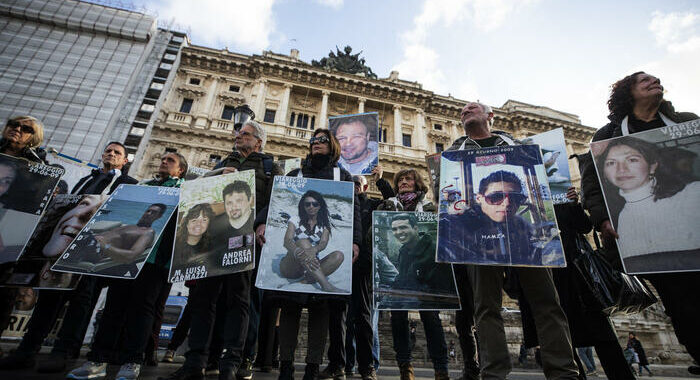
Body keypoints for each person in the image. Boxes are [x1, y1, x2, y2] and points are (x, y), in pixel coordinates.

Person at [444, 101, 578, 380]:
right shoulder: (454, 154)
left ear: (490, 116)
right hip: (477, 240)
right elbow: (443, 194)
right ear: (482, 198)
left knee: (547, 302)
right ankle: (493, 373)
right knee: (485, 307)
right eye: (463, 110)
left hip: (525, 238)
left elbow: (540, 185)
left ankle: (563, 372)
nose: (466, 111)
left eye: (473, 107)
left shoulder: (518, 146)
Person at [580, 72, 700, 375]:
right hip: (648, 241)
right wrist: (602, 218)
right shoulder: (608, 134)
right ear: (627, 92)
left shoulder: (687, 121)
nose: (654, 81)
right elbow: (592, 185)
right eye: (643, 80)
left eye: (656, 78)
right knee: (681, 306)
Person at [161, 120, 280, 380]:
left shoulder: (271, 167)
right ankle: (195, 362)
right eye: (238, 134)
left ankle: (231, 363)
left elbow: (275, 200)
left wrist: (260, 224)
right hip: (213, 241)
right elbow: (199, 190)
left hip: (244, 240)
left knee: (239, 300)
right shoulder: (223, 162)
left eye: (245, 134)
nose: (239, 137)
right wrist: (218, 174)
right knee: (204, 300)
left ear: (258, 141)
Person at [66, 152, 187, 380]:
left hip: (155, 261)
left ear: (180, 170)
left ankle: (132, 361)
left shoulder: (185, 191)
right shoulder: (143, 187)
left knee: (142, 311)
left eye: (170, 161)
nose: (163, 161)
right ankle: (97, 359)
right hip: (124, 265)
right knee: (114, 307)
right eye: (162, 158)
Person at [255, 128, 361, 380]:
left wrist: (355, 241)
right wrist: (261, 223)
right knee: (290, 309)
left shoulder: (342, 176)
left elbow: (353, 212)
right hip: (292, 262)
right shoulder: (295, 174)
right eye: (313, 140)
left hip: (311, 265)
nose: (316, 143)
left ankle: (313, 366)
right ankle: (286, 365)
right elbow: (273, 208)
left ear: (332, 145)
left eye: (322, 140)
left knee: (321, 310)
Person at [376, 168, 450, 380]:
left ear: (418, 183)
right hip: (406, 277)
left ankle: (441, 368)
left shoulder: (429, 208)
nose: (403, 183)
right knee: (398, 319)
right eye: (400, 180)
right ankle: (405, 367)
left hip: (428, 279)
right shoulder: (389, 205)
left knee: (432, 320)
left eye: (408, 179)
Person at [595, 137, 699, 272]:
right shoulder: (618, 215)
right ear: (603, 172)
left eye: (632, 160)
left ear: (652, 166)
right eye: (611, 163)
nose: (621, 169)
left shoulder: (692, 193)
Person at [0, 115, 47, 357]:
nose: (17, 130)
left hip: (9, 236)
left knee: (4, 288)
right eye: (13, 125)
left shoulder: (39, 165)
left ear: (34, 137)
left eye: (25, 129)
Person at [343, 169, 393, 379]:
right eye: (351, 182)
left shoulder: (371, 205)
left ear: (364, 188)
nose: (354, 185)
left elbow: (392, 203)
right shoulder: (340, 203)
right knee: (343, 317)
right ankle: (346, 364)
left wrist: (380, 181)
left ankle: (368, 365)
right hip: (341, 265)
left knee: (364, 317)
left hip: (363, 267)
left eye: (358, 183)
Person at [278, 190, 344, 293]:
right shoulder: (295, 220)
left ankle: (306, 280)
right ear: (303, 206)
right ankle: (325, 285)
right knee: (303, 242)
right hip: (292, 265)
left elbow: (323, 243)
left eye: (315, 204)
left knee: (339, 255)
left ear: (320, 206)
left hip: (311, 266)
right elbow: (287, 241)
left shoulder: (324, 224)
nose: (311, 207)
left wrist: (314, 250)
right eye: (307, 204)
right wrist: (297, 251)